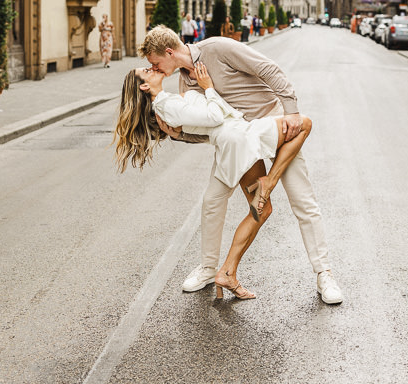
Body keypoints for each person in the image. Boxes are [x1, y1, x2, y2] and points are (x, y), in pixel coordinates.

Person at [138, 25, 343, 304]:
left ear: (170, 52)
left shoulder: (218, 48)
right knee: (213, 201)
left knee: (303, 200)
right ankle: (210, 269)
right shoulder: (185, 83)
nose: (156, 69)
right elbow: (210, 127)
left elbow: (269, 69)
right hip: (241, 141)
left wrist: (291, 111)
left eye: (156, 63)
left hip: (274, 122)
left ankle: (324, 274)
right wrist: (179, 135)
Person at [115, 63, 313, 299]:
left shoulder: (167, 101)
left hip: (231, 142)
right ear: (145, 86)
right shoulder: (165, 105)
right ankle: (227, 270)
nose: (151, 67)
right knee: (304, 124)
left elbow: (201, 123)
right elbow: (215, 117)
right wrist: (208, 87)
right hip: (240, 139)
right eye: (146, 71)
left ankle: (218, 270)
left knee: (231, 206)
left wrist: (182, 126)